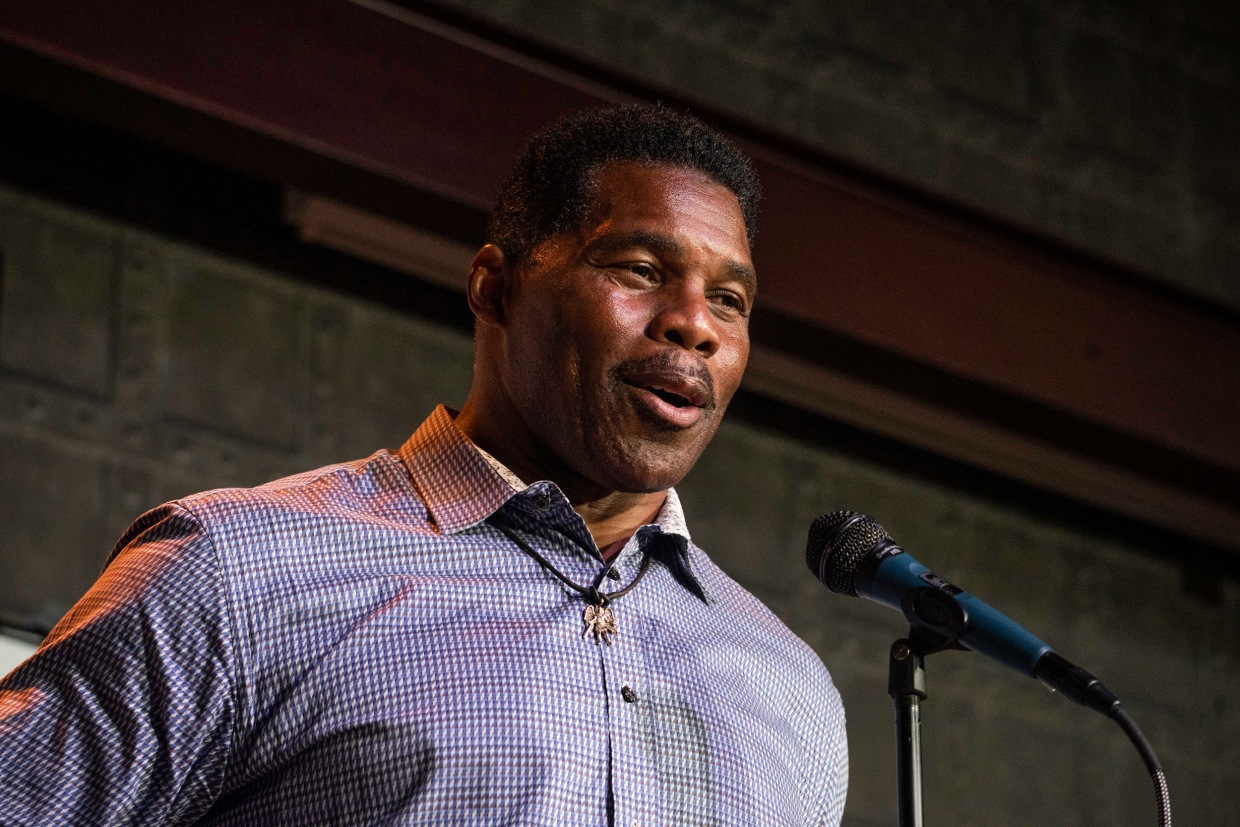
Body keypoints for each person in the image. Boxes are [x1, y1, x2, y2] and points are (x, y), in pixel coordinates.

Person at [0, 103, 847, 825]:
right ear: (495, 286)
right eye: (639, 268)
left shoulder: (787, 688)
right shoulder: (234, 569)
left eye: (729, 301)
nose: (695, 325)